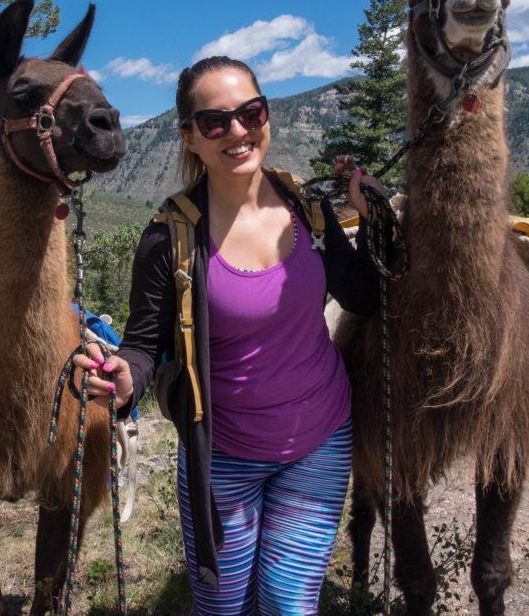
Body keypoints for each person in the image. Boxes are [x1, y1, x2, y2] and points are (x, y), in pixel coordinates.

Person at [73, 55, 386, 615]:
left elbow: (361, 297)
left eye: (251, 112)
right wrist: (125, 379)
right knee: (223, 607)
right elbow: (145, 344)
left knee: (289, 606)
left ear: (266, 116)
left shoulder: (309, 208)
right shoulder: (168, 237)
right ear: (190, 137)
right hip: (222, 455)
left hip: (319, 439)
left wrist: (368, 218)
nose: (238, 131)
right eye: (215, 122)